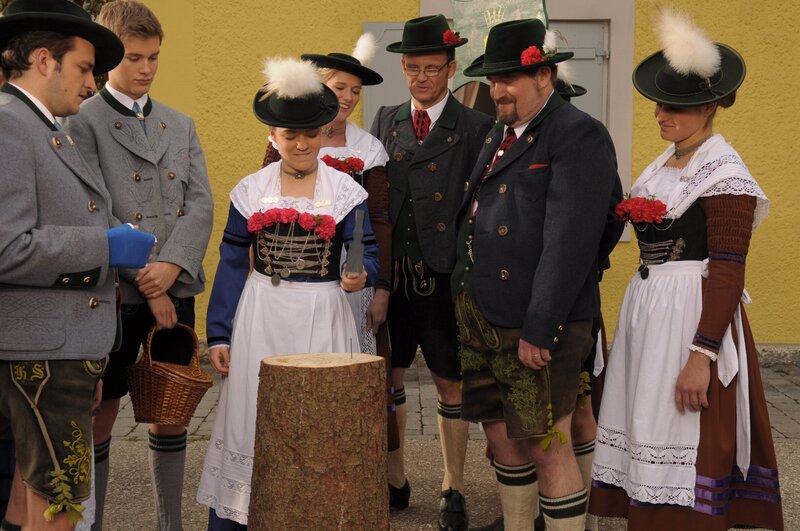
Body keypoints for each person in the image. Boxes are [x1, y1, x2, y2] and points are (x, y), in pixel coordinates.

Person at [590, 8, 783, 531]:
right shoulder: (665, 165)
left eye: (674, 106)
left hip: (690, 320)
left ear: (710, 106)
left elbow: (728, 272)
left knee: (684, 433)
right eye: (659, 103)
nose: (660, 113)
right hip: (650, 314)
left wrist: (702, 355)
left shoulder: (725, 174)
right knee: (643, 423)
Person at [452, 18, 621, 531]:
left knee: (548, 444)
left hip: (536, 321)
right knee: (501, 436)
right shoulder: (501, 131)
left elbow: (577, 239)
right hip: (483, 315)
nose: (497, 90)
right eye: (492, 79)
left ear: (544, 75)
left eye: (509, 79)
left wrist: (543, 324)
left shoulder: (576, 133)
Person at [197, 56, 379, 530]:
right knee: (252, 414)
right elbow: (232, 263)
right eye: (289, 135)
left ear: (323, 132)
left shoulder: (346, 191)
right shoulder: (250, 191)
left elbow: (368, 251)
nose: (301, 144)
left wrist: (361, 274)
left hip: (324, 312)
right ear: (272, 136)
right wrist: (219, 333)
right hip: (263, 312)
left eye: (310, 134)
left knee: (321, 420)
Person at [0, 1, 155, 529]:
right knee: (58, 506)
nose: (93, 85)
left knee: (30, 499)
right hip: (42, 355)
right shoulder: (10, 125)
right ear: (44, 60)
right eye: (85, 69)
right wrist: (104, 246)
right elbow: (7, 246)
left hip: (57, 349)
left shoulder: (41, 125)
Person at [64, 2, 214, 529]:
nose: (146, 68)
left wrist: (172, 267)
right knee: (101, 413)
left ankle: (170, 523)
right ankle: (94, 522)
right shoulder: (81, 121)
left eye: (153, 57)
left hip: (175, 286)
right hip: (115, 294)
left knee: (171, 410)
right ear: (109, 56)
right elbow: (94, 209)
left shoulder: (180, 122)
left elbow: (200, 204)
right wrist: (149, 282)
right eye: (133, 57)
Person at [370, 14, 493, 530]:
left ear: (450, 67)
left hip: (445, 275)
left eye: (432, 68)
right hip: (394, 277)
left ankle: (453, 486)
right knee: (389, 375)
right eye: (413, 68)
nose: (422, 77)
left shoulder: (476, 126)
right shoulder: (385, 119)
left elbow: (482, 206)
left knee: (450, 380)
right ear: (403, 68)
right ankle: (394, 477)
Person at [261, 34, 399, 453]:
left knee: (349, 365)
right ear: (320, 87)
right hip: (293, 273)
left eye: (356, 91)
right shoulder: (288, 138)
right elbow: (264, 210)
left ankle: (354, 456)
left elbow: (379, 222)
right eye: (340, 87)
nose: (349, 98)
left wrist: (382, 287)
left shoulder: (368, 148)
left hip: (353, 272)